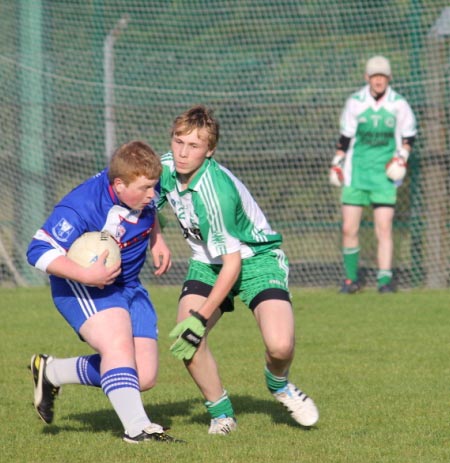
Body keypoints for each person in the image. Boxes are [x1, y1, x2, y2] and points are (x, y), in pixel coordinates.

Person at [158, 105, 319, 435]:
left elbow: (232, 265)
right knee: (186, 338)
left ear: (210, 151)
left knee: (280, 346)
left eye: (194, 146)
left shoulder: (214, 192)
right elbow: (149, 204)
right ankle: (221, 413)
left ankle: (279, 386)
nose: (183, 152)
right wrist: (156, 238)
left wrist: (201, 316)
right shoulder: (164, 168)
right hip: (207, 263)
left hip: (254, 261)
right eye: (178, 142)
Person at [26, 140, 183, 443]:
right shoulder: (81, 205)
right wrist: (87, 274)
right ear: (119, 184)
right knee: (117, 345)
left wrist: (157, 238)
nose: (153, 195)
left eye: (154, 186)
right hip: (84, 285)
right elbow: (37, 250)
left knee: (144, 376)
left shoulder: (147, 181)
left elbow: (148, 213)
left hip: (129, 284)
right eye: (145, 189)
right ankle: (138, 429)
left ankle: (53, 372)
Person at [329, 55, 417, 294]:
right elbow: (345, 138)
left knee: (384, 227)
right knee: (349, 228)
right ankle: (350, 279)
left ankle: (384, 281)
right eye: (374, 76)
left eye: (383, 76)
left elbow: (408, 137)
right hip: (356, 174)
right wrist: (337, 163)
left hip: (384, 177)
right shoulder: (355, 102)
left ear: (388, 78)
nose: (379, 81)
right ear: (367, 78)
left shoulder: (398, 104)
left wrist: (402, 158)